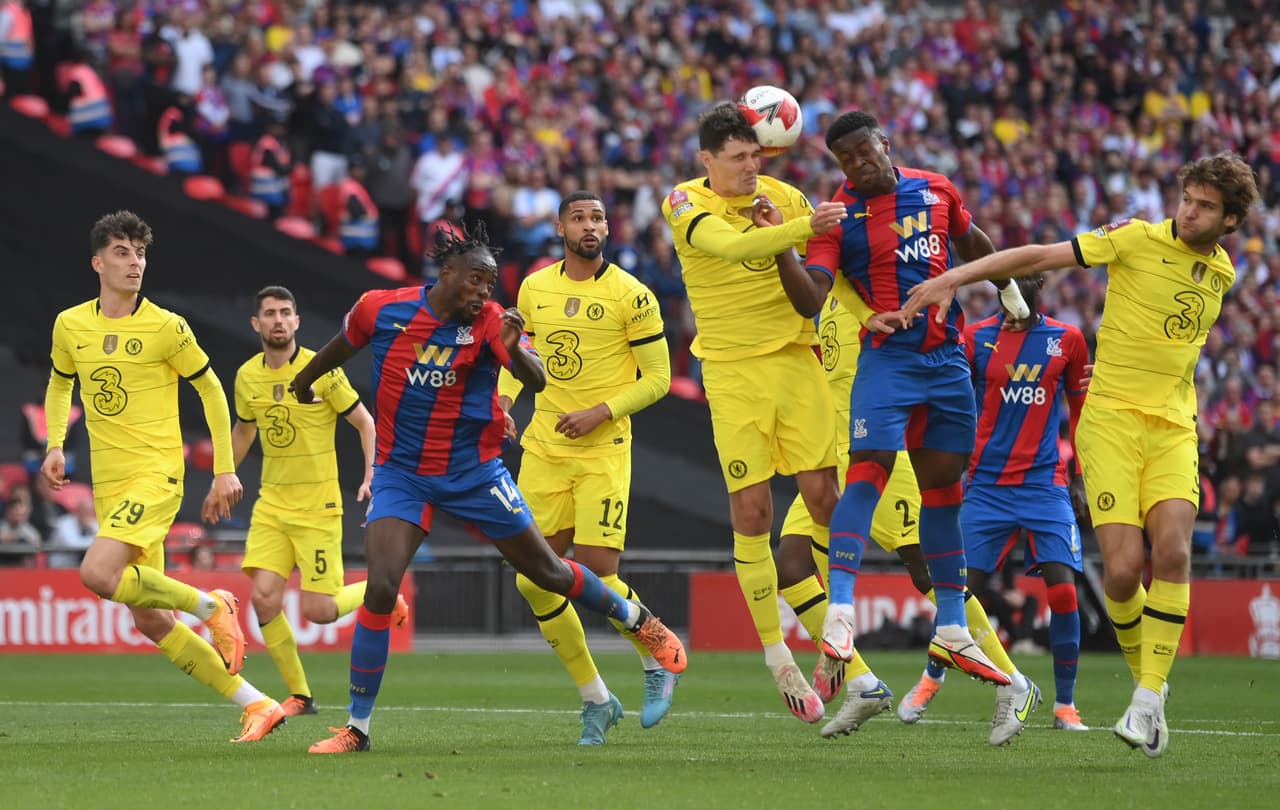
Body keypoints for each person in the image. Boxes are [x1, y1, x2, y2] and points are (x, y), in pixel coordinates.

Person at [901, 151, 1262, 758]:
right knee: (1121, 573)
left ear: (1230, 221)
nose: (1188, 212)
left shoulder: (1222, 270)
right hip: (1111, 425)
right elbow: (1038, 257)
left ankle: (1147, 698)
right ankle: (1151, 688)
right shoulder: (1133, 240)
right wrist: (956, 277)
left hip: (1174, 426)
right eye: (1187, 199)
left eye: (1205, 207)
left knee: (1172, 550)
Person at [289, 223, 687, 754]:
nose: (483, 292)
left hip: (474, 473)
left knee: (546, 572)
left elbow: (537, 379)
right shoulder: (381, 308)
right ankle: (357, 728)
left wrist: (513, 348)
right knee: (381, 588)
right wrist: (302, 381)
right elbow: (340, 346)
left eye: (490, 283)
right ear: (446, 274)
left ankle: (641, 622)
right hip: (402, 473)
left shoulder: (492, 322)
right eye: (476, 280)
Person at [40, 210, 285, 742]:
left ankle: (211, 604)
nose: (134, 263)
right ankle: (259, 703)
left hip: (156, 475)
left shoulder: (167, 327)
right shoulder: (70, 324)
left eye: (141, 253)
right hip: (109, 484)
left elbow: (213, 390)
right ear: (97, 262)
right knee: (150, 620)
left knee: (96, 574)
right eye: (123, 253)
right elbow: (62, 385)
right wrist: (56, 443)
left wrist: (224, 469)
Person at [802, 110, 1024, 692]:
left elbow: (970, 239)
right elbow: (812, 293)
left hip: (948, 363)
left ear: (883, 142)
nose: (855, 163)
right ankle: (842, 612)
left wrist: (1006, 285)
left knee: (945, 495)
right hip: (888, 361)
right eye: (844, 158)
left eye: (861, 150)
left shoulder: (936, 187)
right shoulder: (836, 217)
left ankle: (952, 625)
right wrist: (785, 248)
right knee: (866, 473)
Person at [774, 291, 1033, 744]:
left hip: (884, 450)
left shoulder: (878, 285)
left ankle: (1015, 682)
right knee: (791, 562)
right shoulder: (824, 292)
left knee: (926, 570)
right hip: (830, 452)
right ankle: (863, 684)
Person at [660, 102, 848, 723]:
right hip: (733, 371)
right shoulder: (684, 202)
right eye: (738, 158)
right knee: (753, 510)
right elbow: (731, 249)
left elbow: (809, 295)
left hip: (797, 362)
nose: (750, 167)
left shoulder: (786, 198)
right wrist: (803, 227)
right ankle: (778, 657)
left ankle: (833, 637)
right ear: (706, 160)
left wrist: (801, 228)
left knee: (826, 499)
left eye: (756, 156)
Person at [497, 191, 675, 744]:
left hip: (603, 448)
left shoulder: (633, 294)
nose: (590, 225)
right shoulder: (534, 287)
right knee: (535, 578)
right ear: (560, 228)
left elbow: (659, 379)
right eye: (579, 217)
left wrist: (602, 411)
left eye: (598, 217)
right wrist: (501, 402)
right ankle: (596, 698)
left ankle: (655, 655)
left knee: (598, 569)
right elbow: (517, 354)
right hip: (544, 448)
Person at [898, 273, 1091, 743]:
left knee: (1064, 592)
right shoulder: (976, 338)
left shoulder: (1067, 340)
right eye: (1007, 288)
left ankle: (1065, 703)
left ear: (1038, 289)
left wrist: (1083, 475)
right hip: (986, 487)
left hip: (1045, 484)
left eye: (1024, 288)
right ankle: (931, 678)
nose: (1014, 298)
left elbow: (1082, 410)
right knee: (959, 590)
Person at [206, 285, 404, 718]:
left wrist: (372, 474)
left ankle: (386, 595)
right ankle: (300, 695)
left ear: (296, 322)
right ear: (256, 324)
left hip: (317, 508)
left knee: (319, 611)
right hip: (272, 506)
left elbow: (365, 423)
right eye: (270, 314)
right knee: (263, 598)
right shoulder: (247, 376)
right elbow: (244, 430)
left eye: (286, 313)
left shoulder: (322, 370)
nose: (279, 320)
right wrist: (223, 474)